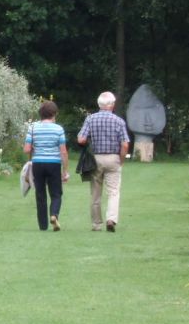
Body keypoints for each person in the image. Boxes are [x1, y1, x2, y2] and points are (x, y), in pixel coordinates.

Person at [77, 91, 130, 232]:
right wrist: (121, 159)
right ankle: (111, 219)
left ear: (99, 104)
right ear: (112, 105)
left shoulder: (90, 119)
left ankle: (96, 224)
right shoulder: (119, 121)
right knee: (113, 192)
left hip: (96, 159)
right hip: (113, 158)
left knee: (95, 193)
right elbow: (125, 144)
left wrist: (89, 141)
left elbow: (81, 139)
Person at [23, 100, 69, 232]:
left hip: (38, 163)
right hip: (54, 163)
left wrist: (34, 147)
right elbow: (63, 151)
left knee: (40, 194)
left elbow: (26, 149)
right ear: (54, 114)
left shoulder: (33, 128)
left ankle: (43, 226)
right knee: (56, 193)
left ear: (41, 114)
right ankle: (54, 214)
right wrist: (65, 171)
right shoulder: (59, 129)